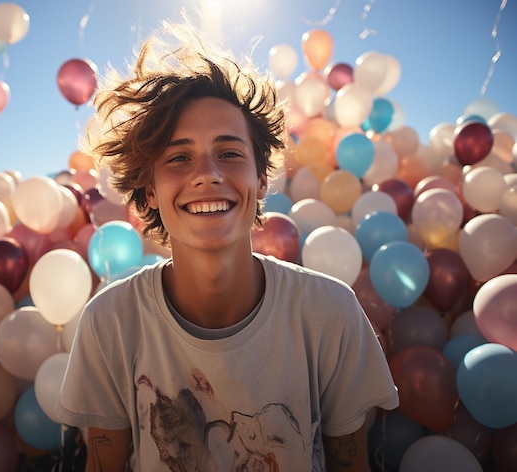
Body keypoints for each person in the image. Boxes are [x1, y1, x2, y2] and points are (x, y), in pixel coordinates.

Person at [57, 17, 399, 472]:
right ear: (151, 191)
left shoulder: (329, 312)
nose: (208, 174)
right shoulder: (110, 323)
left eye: (230, 152)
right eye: (179, 157)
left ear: (261, 179)